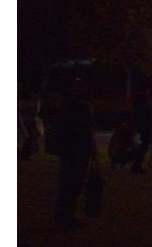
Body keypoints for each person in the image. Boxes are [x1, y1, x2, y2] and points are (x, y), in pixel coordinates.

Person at [48, 78, 98, 229]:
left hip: (71, 150)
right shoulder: (78, 106)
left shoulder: (66, 105)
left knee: (68, 183)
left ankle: (63, 215)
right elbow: (85, 130)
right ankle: (66, 216)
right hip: (76, 150)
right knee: (72, 183)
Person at [130, 79, 152, 172]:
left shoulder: (139, 99)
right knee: (145, 143)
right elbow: (147, 113)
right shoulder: (142, 99)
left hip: (142, 124)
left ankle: (137, 164)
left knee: (144, 143)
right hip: (144, 124)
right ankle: (137, 164)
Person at [18, 94, 44, 160]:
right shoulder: (25, 103)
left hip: (28, 121)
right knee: (29, 137)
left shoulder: (25, 103)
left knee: (31, 137)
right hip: (27, 121)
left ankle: (27, 153)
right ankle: (26, 153)